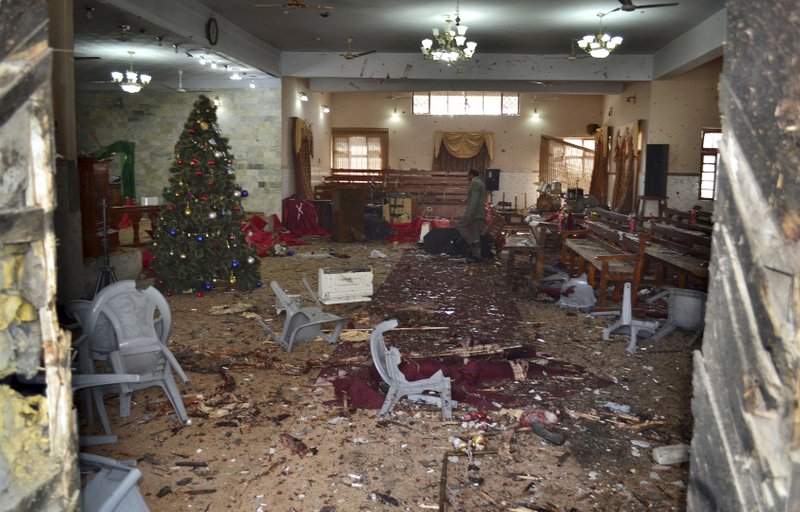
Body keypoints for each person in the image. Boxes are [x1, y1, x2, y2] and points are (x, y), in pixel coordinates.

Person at [455, 168, 487, 262]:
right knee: (475, 233)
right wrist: (466, 200)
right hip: (479, 212)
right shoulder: (481, 182)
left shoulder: (475, 183)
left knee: (459, 225)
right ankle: (477, 256)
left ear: (471, 175)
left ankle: (472, 241)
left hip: (474, 212)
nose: (467, 177)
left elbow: (475, 199)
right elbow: (476, 197)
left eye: (467, 175)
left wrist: (470, 213)